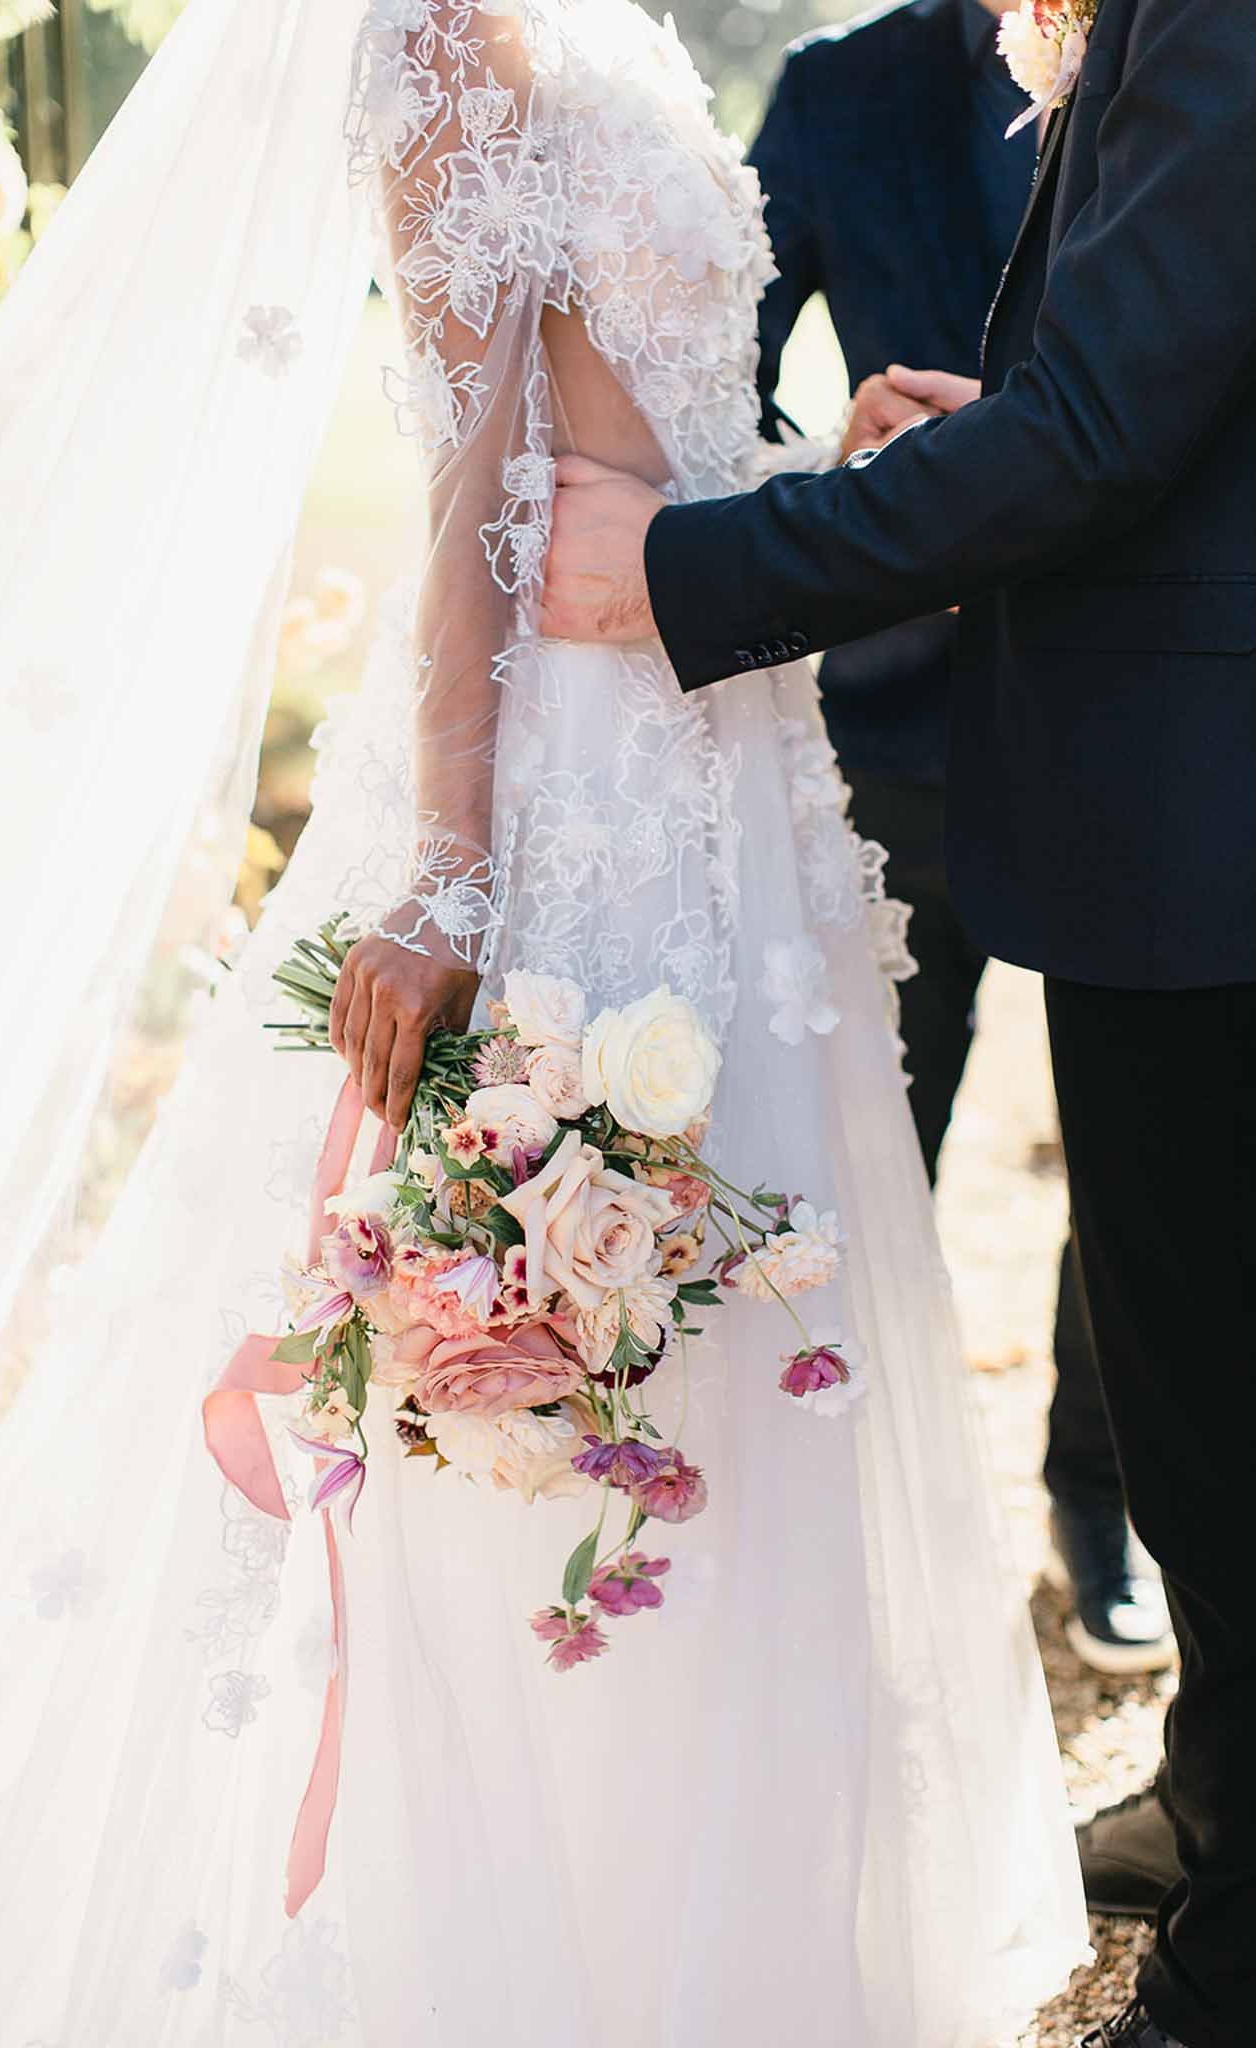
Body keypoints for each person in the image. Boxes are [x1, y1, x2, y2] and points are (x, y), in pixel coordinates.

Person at [0, 0, 1087, 2039]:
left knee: (742, 1373)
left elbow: (646, 447)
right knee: (547, 1388)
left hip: (735, 794)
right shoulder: (436, 31)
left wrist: (825, 467)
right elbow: (471, 479)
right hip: (571, 820)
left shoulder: (607, 34)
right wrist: (449, 871)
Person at [541, 0, 1256, 2042]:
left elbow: (1106, 429)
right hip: (1150, 798)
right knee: (1186, 1358)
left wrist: (697, 572)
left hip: (1201, 818)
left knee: (1206, 1427)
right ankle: (1210, 1800)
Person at [749, 0, 1172, 1678]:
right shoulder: (837, 85)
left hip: (1146, 711)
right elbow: (703, 396)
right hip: (900, 713)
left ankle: (1105, 1502)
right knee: (869, 1131)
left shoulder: (1185, 51)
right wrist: (844, 467)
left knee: (1142, 1159)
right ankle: (836, 1522)